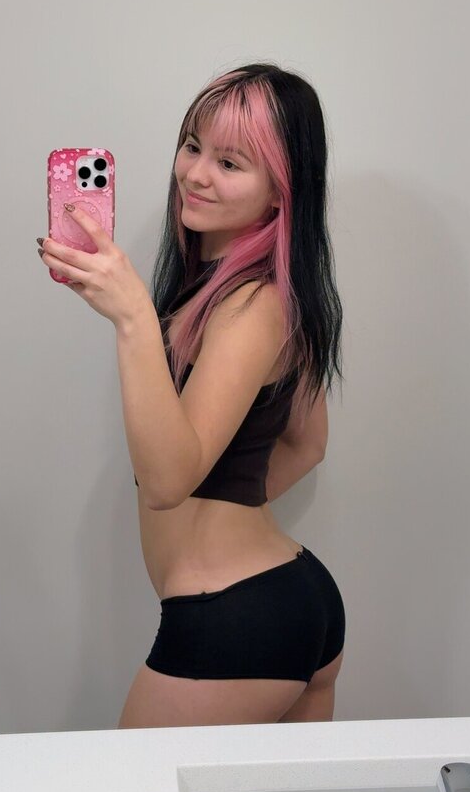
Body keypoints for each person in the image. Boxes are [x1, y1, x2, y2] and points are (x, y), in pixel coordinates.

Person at [39, 62, 346, 728]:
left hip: (236, 617)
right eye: (192, 146)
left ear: (280, 192)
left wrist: (132, 319)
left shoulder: (252, 306)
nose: (196, 174)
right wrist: (218, 516)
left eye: (229, 163)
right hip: (285, 599)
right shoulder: (256, 292)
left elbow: (166, 482)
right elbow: (308, 444)